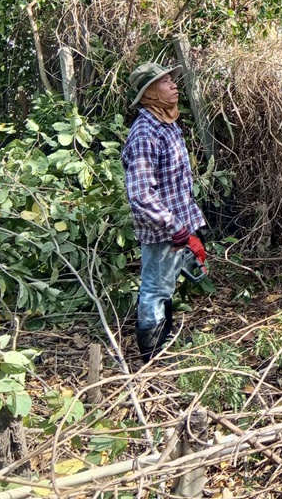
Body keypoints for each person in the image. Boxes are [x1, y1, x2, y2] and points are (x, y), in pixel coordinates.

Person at [121, 62, 208, 364]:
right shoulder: (145, 133)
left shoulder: (167, 125)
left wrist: (189, 228)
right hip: (162, 231)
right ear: (149, 93)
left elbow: (175, 184)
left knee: (164, 288)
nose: (173, 85)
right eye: (165, 82)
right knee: (155, 290)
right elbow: (141, 194)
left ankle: (161, 344)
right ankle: (152, 358)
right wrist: (174, 226)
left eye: (172, 80)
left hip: (175, 228)